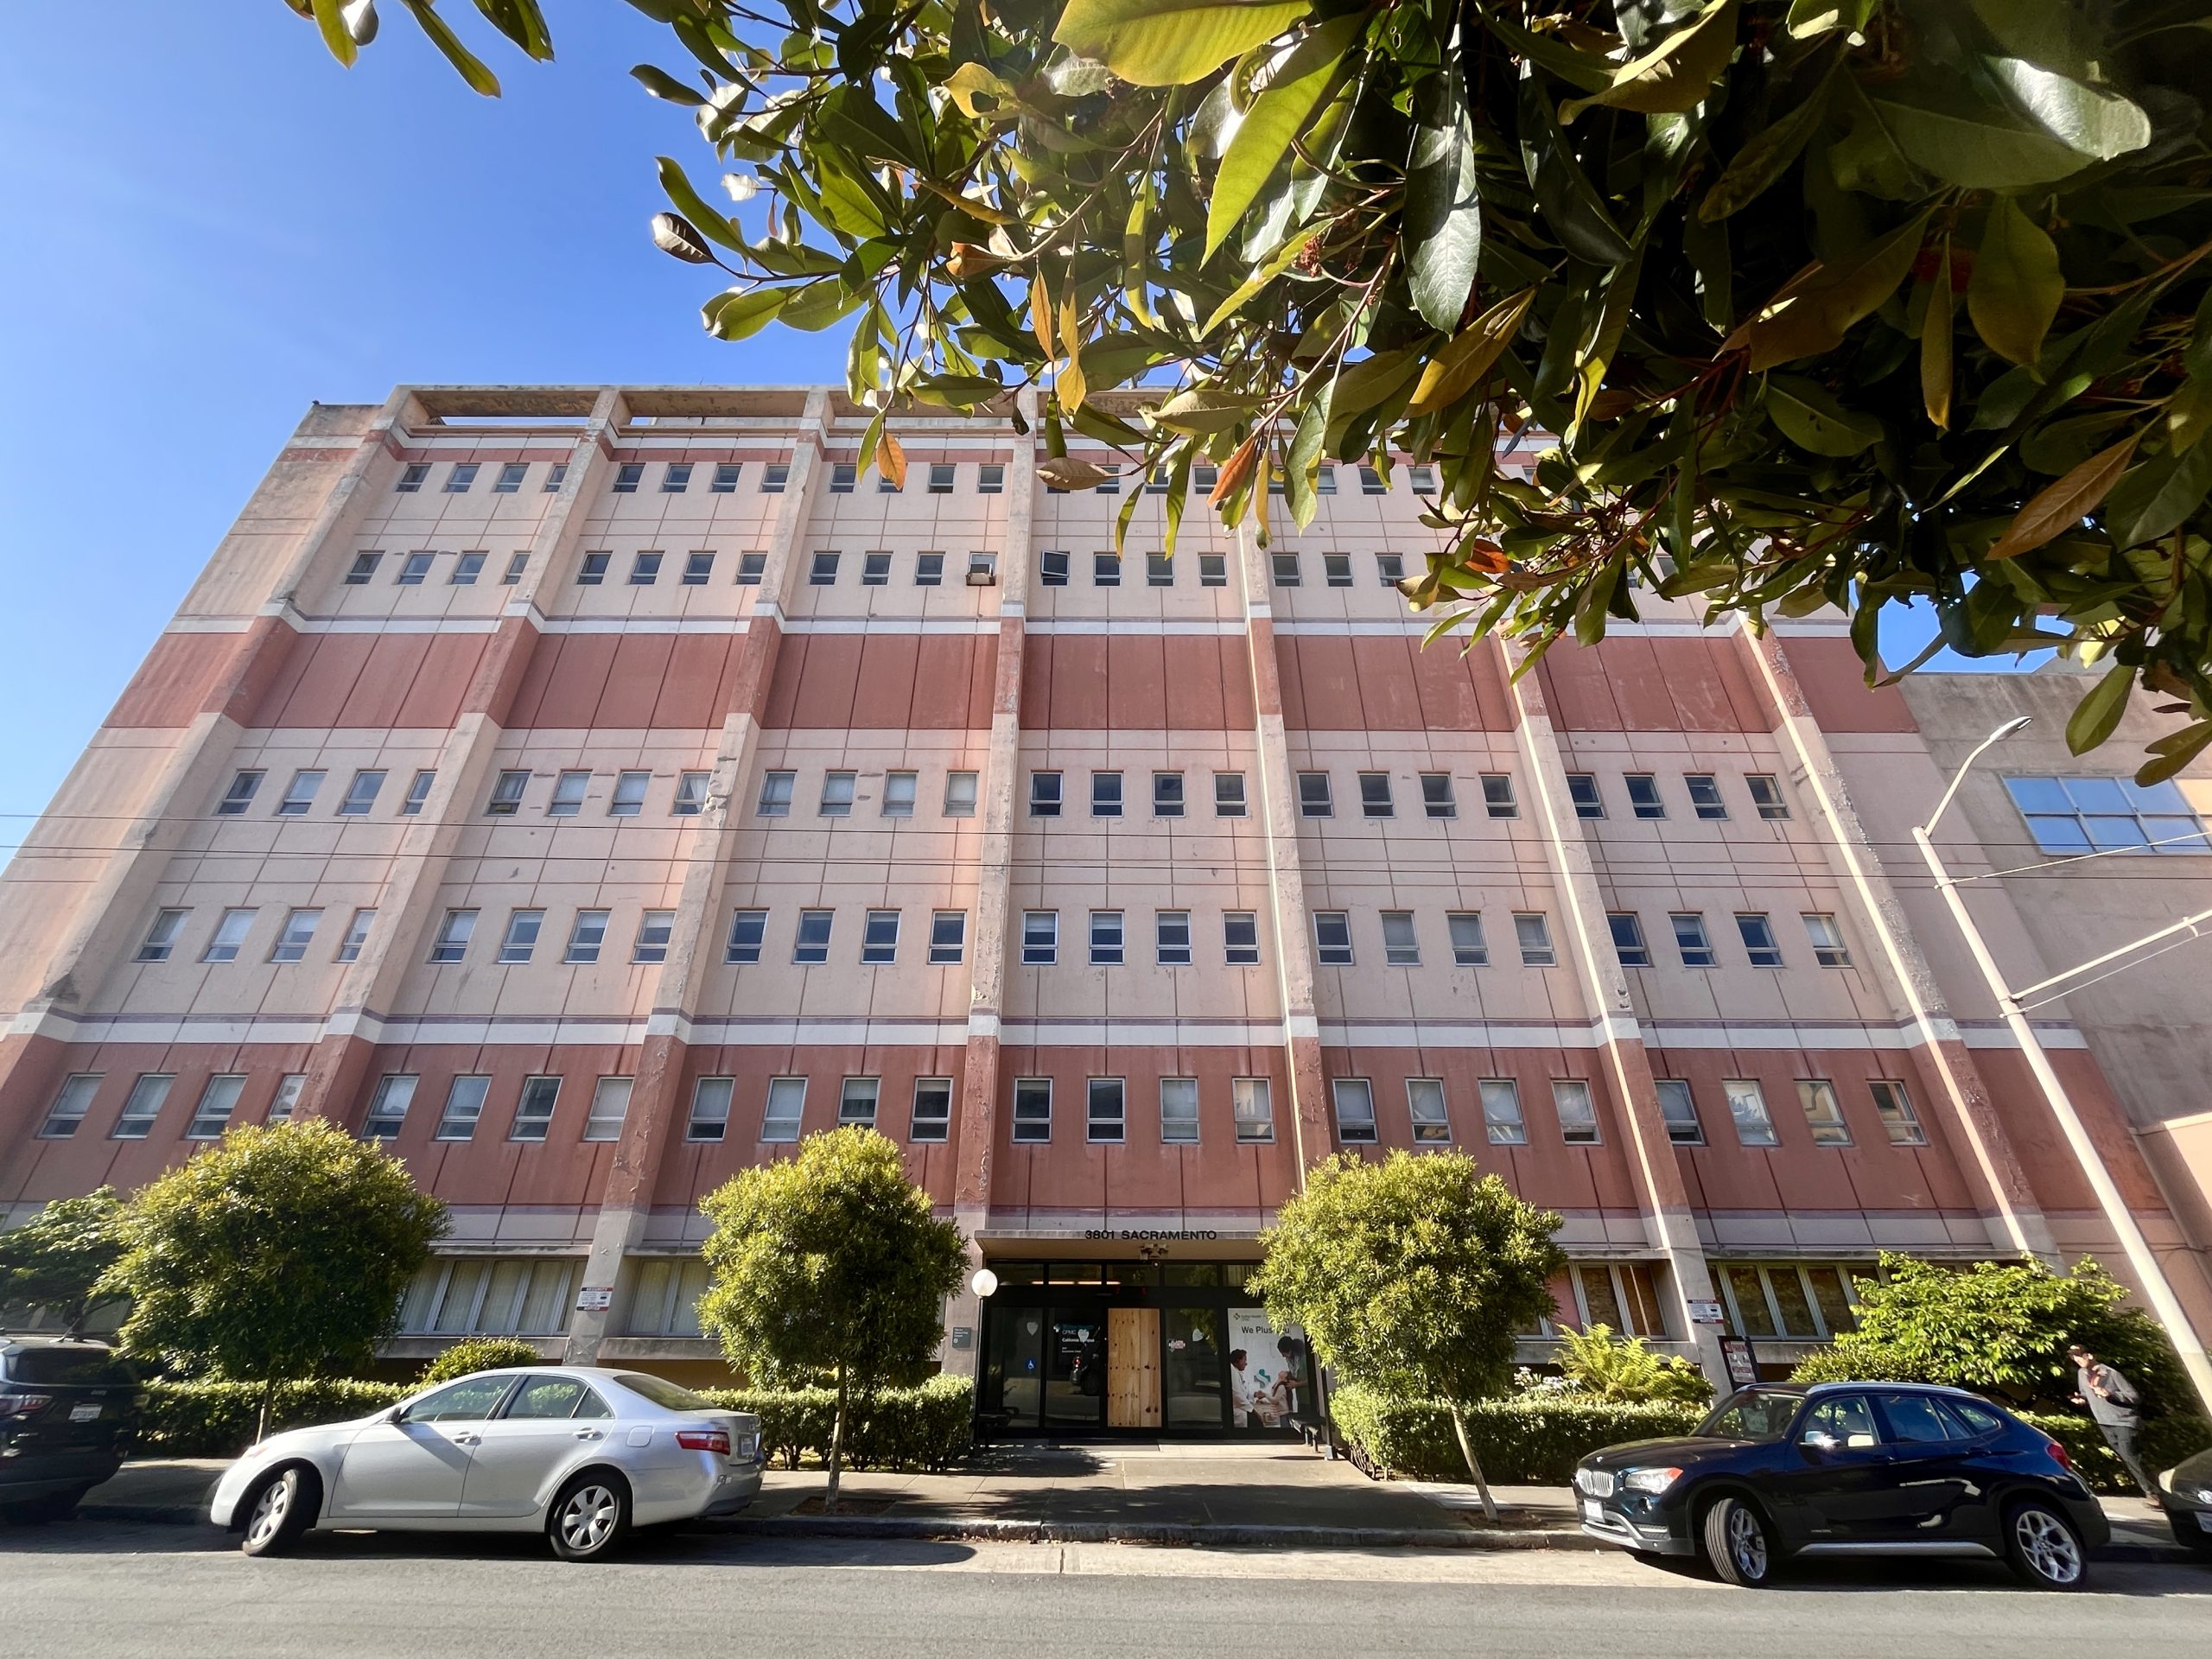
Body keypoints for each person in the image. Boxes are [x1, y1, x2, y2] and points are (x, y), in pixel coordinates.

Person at [2069, 1344, 2157, 1501]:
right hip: (2104, 1422)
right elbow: (2086, 1395)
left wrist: (2111, 1394)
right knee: (2128, 1457)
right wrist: (2081, 1399)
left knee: (2130, 1456)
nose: (2076, 1359)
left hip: (2125, 1421)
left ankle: (2153, 1493)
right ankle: (2158, 1488)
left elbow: (2134, 1397)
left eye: (2078, 1355)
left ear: (2089, 1355)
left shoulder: (2110, 1373)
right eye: (2073, 1357)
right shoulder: (2082, 1374)